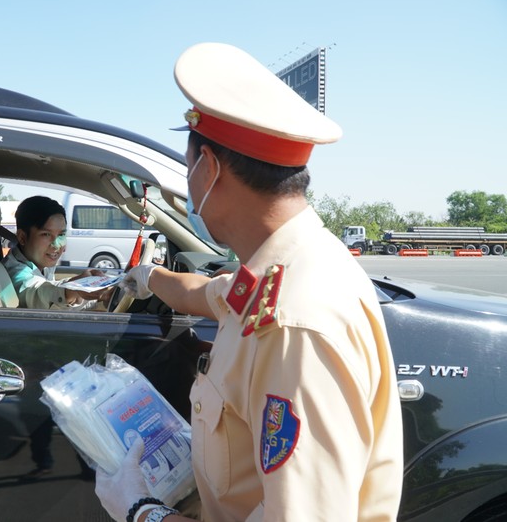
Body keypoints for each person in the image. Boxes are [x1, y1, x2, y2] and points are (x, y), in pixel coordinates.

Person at [95, 43, 403, 521]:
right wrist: (148, 276)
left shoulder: (294, 322)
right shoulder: (279, 274)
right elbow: (202, 294)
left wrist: (141, 512)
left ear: (209, 169)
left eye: (189, 161)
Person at [2, 195, 112, 310]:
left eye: (61, 235)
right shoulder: (15, 274)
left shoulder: (41, 265)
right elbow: (38, 292)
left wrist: (102, 295)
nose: (57, 245)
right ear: (22, 237)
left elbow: (57, 301)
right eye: (46, 234)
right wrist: (72, 289)